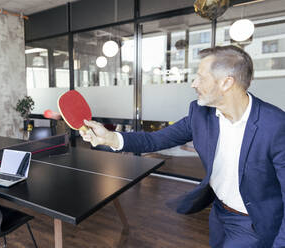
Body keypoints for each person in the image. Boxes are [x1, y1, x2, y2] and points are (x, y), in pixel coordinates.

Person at [80, 45, 285, 248]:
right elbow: (155, 140)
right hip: (219, 212)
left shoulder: (275, 125)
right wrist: (110, 138)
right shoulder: (200, 114)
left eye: (200, 77)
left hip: (253, 223)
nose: (193, 84)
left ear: (226, 83)